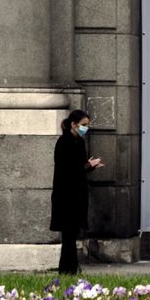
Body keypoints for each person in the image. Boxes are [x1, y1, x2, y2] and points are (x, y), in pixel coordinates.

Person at [50, 109, 104, 275]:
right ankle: (67, 269)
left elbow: (79, 167)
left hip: (77, 194)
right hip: (65, 195)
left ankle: (70, 268)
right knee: (68, 235)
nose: (86, 128)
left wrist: (89, 166)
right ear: (73, 124)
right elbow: (67, 169)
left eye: (87, 125)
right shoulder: (63, 142)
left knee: (72, 234)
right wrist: (86, 165)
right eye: (83, 125)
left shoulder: (79, 142)